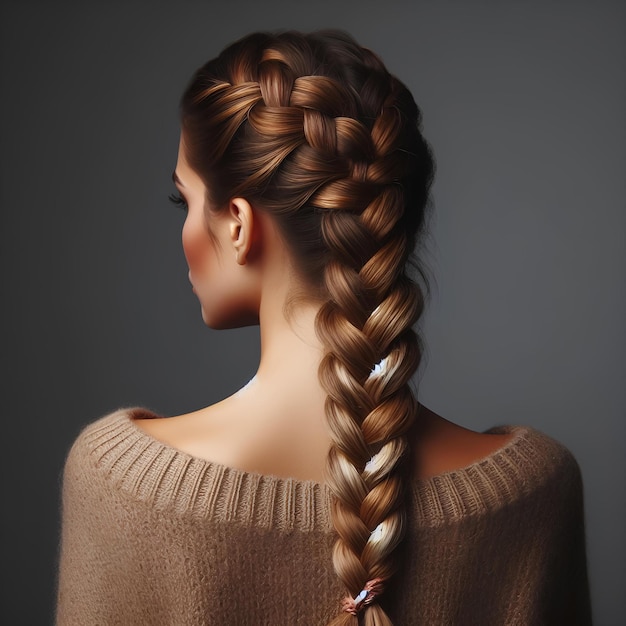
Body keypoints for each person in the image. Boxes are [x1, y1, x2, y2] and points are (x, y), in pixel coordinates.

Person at [55, 30, 591, 625]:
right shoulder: (535, 493)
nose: (183, 231)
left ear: (237, 223)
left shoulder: (121, 488)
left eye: (186, 202)